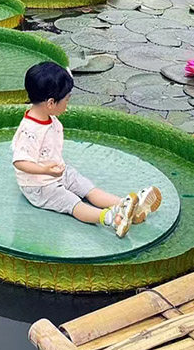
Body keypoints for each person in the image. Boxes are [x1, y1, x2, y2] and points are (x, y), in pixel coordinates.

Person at [12, 62, 162, 239]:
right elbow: (20, 161)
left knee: (88, 189)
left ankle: (127, 206)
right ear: (51, 103)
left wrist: (53, 170)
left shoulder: (48, 116)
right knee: (73, 203)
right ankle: (112, 218)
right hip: (39, 186)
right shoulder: (29, 130)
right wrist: (44, 170)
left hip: (59, 171)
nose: (68, 104)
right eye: (66, 99)